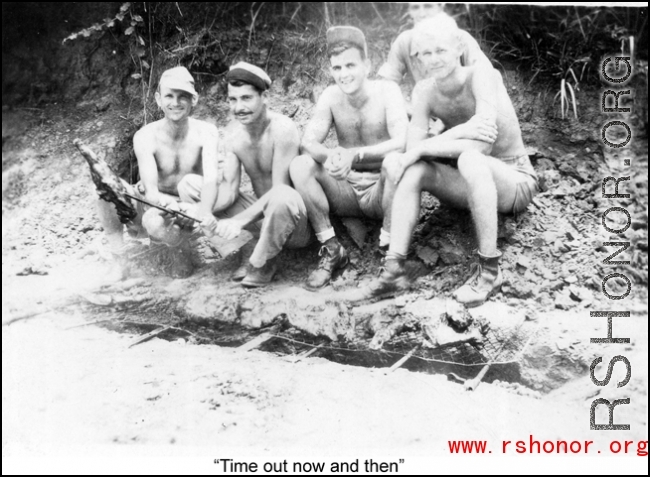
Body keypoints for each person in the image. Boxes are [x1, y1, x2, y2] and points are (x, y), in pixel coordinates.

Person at [365, 15, 539, 307]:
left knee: (470, 157)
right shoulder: (425, 93)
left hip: (514, 180)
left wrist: (427, 146)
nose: (434, 59)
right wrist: (455, 133)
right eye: (426, 53)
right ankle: (394, 268)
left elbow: (482, 143)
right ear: (417, 58)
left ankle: (489, 271)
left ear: (459, 47)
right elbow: (413, 150)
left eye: (441, 50)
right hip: (471, 185)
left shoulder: (481, 75)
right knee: (415, 168)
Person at [290, 26, 409, 289]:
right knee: (301, 165)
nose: (344, 74)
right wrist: (331, 156)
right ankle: (332, 249)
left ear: (367, 64)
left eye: (350, 65)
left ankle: (389, 256)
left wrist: (354, 155)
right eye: (337, 68)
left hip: (383, 191)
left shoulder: (387, 91)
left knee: (394, 162)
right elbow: (308, 142)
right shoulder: (331, 96)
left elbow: (403, 142)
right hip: (346, 191)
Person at [97, 66, 236, 279]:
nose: (175, 103)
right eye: (169, 96)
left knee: (156, 225)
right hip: (155, 204)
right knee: (105, 191)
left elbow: (210, 180)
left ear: (194, 100)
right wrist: (165, 204)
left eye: (183, 97)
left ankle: (180, 249)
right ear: (158, 99)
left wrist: (197, 210)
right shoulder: (145, 136)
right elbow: (150, 190)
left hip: (188, 213)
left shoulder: (207, 132)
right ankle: (119, 259)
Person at [185, 62, 312, 287]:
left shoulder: (283, 129)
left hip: (294, 223)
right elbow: (229, 191)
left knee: (281, 195)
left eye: (246, 98)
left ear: (264, 98)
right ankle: (249, 248)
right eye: (233, 99)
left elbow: (281, 190)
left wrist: (237, 221)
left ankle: (264, 261)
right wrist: (202, 212)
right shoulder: (234, 135)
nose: (238, 107)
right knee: (191, 186)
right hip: (260, 217)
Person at [378, 2, 491, 130]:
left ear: (440, 7)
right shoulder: (405, 41)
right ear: (409, 12)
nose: (422, 14)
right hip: (424, 116)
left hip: (463, 117)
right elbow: (386, 86)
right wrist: (409, 108)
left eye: (428, 6)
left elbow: (486, 78)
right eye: (415, 7)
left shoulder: (459, 38)